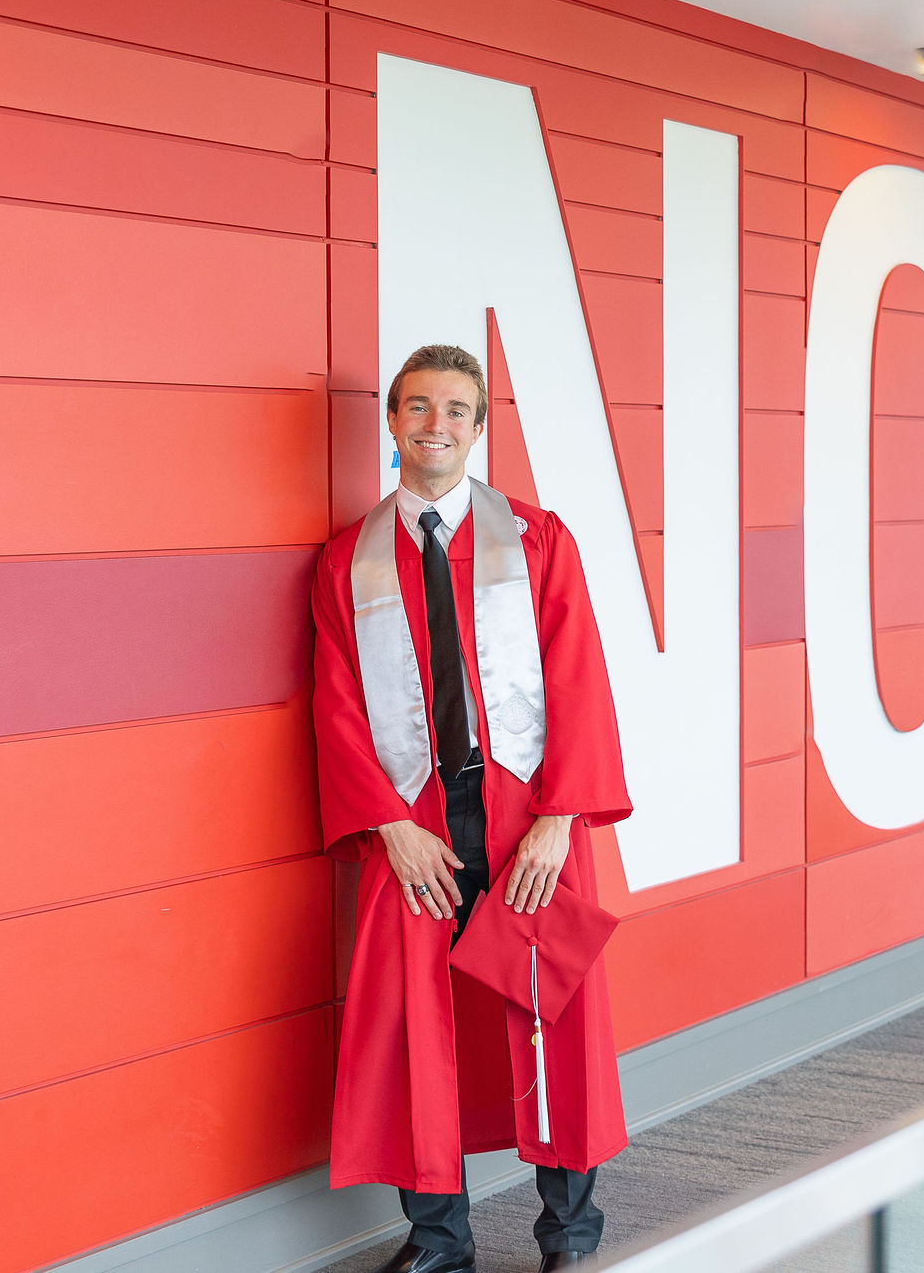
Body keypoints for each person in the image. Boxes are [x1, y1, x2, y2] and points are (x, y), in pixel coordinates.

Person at [311, 344, 633, 1273]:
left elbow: (579, 682)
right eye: (417, 408)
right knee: (419, 1029)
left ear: (479, 425)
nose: (435, 425)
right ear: (393, 422)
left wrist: (561, 817)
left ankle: (570, 1239)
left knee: (551, 1021)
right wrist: (388, 823)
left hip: (527, 816)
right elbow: (336, 707)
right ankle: (439, 1244)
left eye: (456, 409)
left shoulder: (535, 539)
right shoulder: (348, 564)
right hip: (413, 829)